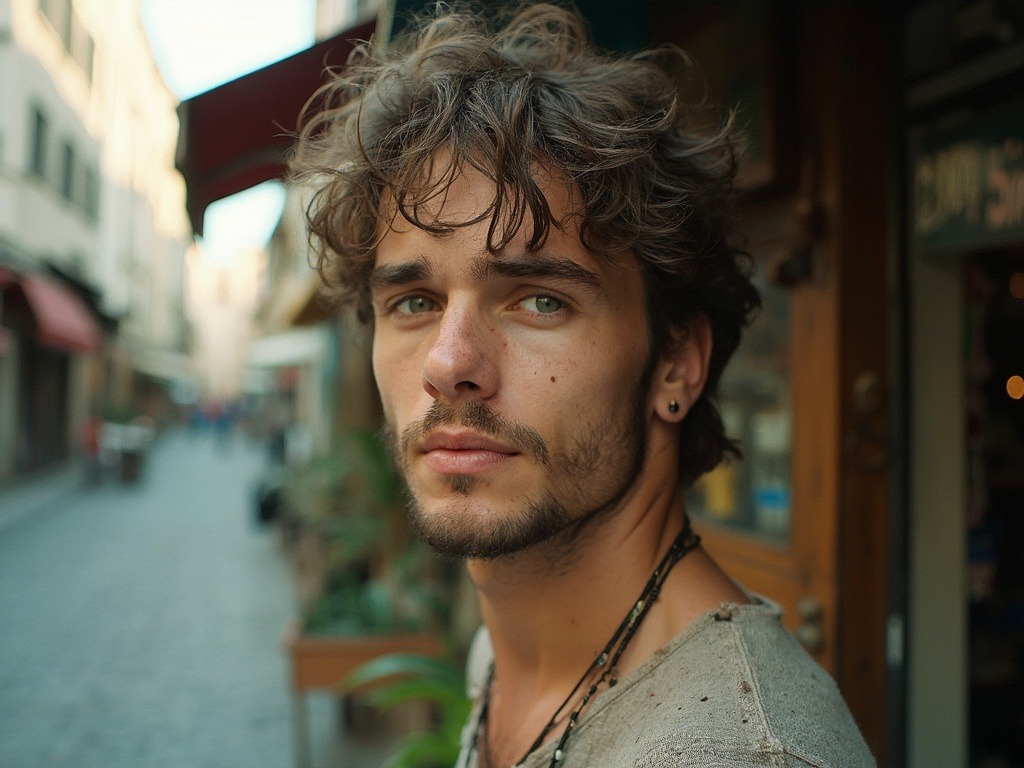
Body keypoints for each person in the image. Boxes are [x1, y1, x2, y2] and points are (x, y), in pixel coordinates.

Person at [291, 4, 875, 767]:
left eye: (540, 300)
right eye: (415, 303)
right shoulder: (510, 654)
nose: (448, 362)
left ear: (676, 363)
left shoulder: (737, 751)